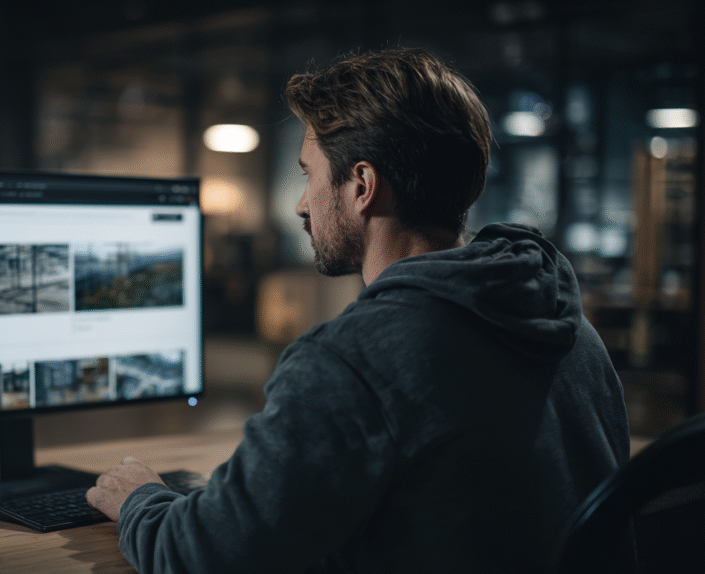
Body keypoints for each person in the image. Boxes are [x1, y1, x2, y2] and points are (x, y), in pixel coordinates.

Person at [86, 47, 629, 574]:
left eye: (308, 174)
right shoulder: (569, 325)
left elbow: (200, 555)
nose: (301, 203)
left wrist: (141, 500)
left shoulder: (352, 361)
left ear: (362, 186)